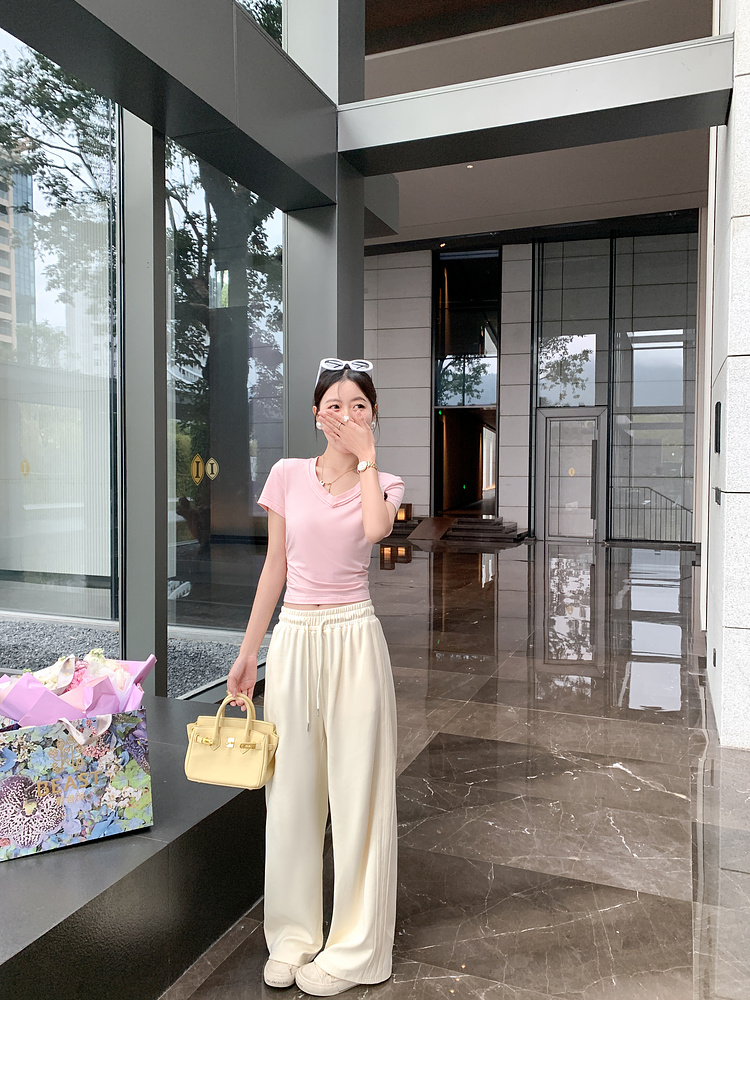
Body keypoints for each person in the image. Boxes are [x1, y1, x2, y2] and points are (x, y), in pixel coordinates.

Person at [227, 358, 404, 998]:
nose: (346, 415)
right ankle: (293, 937)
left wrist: (368, 458)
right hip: (296, 638)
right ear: (315, 414)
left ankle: (355, 950)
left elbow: (377, 532)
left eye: (359, 406)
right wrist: (249, 651)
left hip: (355, 635)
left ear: (373, 415)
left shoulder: (384, 481)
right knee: (293, 794)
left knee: (358, 794)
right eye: (335, 405)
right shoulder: (286, 475)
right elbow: (275, 566)